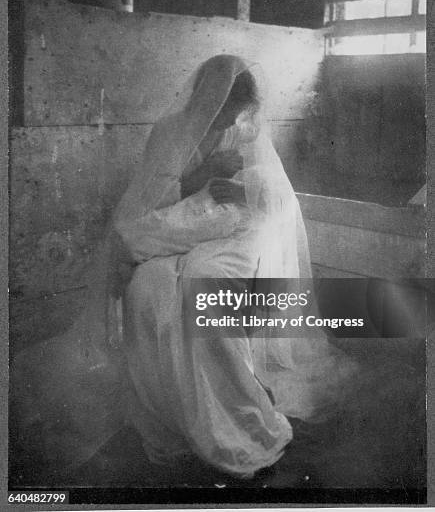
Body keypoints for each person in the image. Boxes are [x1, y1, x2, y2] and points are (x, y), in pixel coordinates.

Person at [11, 54, 351, 482]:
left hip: (231, 231)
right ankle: (170, 413)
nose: (230, 119)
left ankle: (231, 415)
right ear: (209, 97)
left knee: (201, 291)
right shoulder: (170, 132)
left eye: (237, 110)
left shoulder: (244, 131)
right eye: (225, 107)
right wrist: (204, 174)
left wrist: (243, 188)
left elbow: (274, 194)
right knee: (148, 290)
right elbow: (150, 200)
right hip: (181, 222)